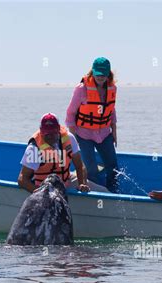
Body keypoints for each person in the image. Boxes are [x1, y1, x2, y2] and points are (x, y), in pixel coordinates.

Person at [65, 57, 119, 193]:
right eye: (98, 73)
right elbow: (70, 113)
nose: (100, 77)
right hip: (84, 135)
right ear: (92, 72)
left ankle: (113, 193)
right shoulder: (81, 89)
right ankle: (95, 198)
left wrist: (114, 130)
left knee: (113, 167)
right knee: (91, 170)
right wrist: (73, 137)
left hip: (104, 134)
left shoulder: (112, 88)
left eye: (103, 74)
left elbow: (111, 109)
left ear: (108, 74)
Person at [18, 113, 108, 193]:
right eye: (46, 133)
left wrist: (82, 184)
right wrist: (38, 192)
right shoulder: (34, 149)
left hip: (67, 180)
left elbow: (80, 165)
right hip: (44, 188)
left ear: (58, 129)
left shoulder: (69, 138)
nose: (50, 137)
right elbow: (22, 179)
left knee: (104, 191)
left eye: (53, 133)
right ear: (41, 131)